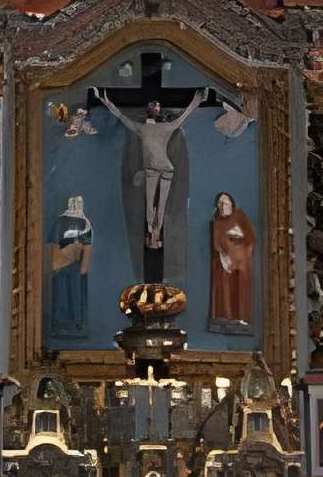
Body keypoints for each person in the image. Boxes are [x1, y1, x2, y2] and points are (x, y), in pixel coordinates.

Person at [95, 87, 208, 254]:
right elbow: (120, 116)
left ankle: (153, 233)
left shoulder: (164, 127)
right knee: (151, 206)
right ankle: (152, 232)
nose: (155, 108)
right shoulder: (143, 127)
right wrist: (105, 100)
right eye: (153, 106)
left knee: (158, 206)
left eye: (157, 107)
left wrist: (197, 100)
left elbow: (185, 115)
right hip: (154, 171)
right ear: (148, 109)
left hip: (164, 170)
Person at [207, 190, 257, 329]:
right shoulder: (216, 221)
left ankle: (241, 318)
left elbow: (250, 237)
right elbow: (217, 242)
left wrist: (236, 235)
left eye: (225, 203)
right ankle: (224, 317)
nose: (223, 206)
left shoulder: (240, 216)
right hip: (223, 262)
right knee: (224, 289)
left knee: (240, 289)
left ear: (231, 203)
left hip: (241, 261)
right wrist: (224, 257)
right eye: (220, 204)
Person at [50, 194, 94, 333]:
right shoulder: (60, 222)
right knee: (61, 293)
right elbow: (53, 244)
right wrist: (55, 263)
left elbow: (87, 247)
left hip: (76, 266)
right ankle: (60, 323)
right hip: (62, 264)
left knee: (75, 294)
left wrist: (83, 267)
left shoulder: (85, 223)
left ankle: (77, 323)